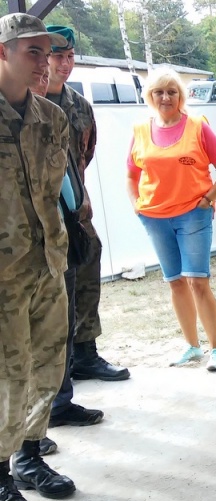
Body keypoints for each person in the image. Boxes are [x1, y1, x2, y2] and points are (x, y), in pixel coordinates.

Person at [0, 13, 77, 501]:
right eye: (33, 51)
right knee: (7, 375)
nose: (44, 62)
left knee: (47, 366)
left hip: (47, 264)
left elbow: (56, 188)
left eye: (47, 52)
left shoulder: (53, 117)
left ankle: (29, 455)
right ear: (2, 52)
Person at [127, 68, 216, 371]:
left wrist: (209, 199)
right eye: (159, 92)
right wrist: (136, 206)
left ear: (181, 96)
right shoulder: (140, 130)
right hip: (155, 218)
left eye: (172, 91)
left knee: (198, 281)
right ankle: (192, 347)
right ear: (150, 96)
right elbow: (131, 175)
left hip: (192, 214)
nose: (165, 97)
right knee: (175, 283)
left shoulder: (198, 126)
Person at [46, 24, 130, 383]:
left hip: (77, 213)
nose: (65, 64)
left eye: (70, 57)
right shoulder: (28, 102)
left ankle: (85, 354)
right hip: (40, 216)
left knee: (87, 275)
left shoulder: (79, 106)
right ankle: (57, 369)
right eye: (57, 57)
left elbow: (85, 154)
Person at [28, 65, 104, 460]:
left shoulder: (54, 119)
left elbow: (76, 168)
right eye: (35, 58)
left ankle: (55, 408)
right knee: (23, 348)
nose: (45, 70)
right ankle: (23, 446)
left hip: (61, 239)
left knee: (57, 333)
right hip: (19, 254)